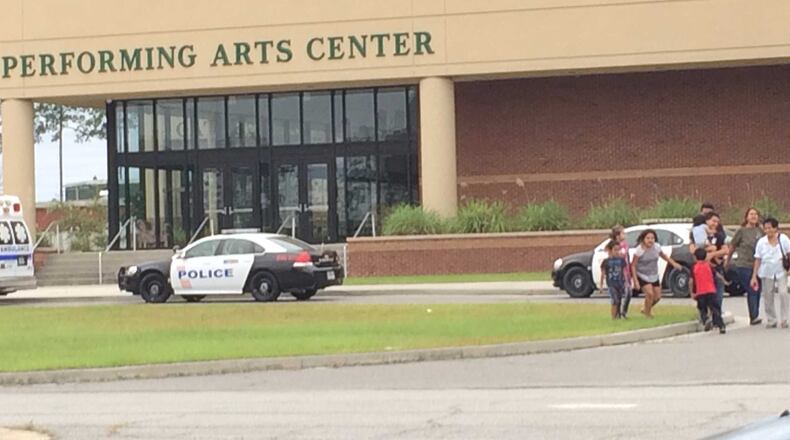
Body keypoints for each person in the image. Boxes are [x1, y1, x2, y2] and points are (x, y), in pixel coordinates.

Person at [632, 229, 683, 318]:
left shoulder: (656, 247)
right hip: (642, 274)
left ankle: (645, 309)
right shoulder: (639, 250)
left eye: (652, 238)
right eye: (648, 238)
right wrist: (635, 280)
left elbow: (664, 256)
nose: (650, 240)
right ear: (643, 239)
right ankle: (648, 315)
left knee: (657, 297)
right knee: (650, 294)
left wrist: (673, 263)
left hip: (654, 274)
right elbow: (633, 266)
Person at [750, 217, 790, 329]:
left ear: (775, 228)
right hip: (766, 271)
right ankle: (771, 319)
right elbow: (757, 259)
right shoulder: (761, 242)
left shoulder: (783, 239)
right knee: (768, 296)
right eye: (766, 228)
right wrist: (754, 276)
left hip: (781, 270)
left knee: (783, 293)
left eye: (770, 228)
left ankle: (784, 319)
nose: (768, 231)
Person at [727, 207, 763, 325]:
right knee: (752, 289)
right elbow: (732, 246)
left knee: (758, 290)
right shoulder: (741, 231)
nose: (754, 216)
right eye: (751, 214)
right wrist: (728, 260)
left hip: (758, 265)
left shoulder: (760, 231)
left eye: (756, 214)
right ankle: (753, 316)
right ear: (746, 217)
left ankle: (755, 313)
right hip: (744, 265)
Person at [691, 212, 728, 308]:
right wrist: (704, 253)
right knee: (703, 296)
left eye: (717, 222)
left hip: (716, 268)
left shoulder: (719, 236)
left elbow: (725, 250)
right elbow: (692, 249)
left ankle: (717, 318)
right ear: (706, 221)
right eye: (713, 221)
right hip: (702, 269)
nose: (715, 224)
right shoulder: (696, 233)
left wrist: (712, 254)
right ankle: (705, 316)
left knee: (718, 295)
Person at [690, 248, 726, 334]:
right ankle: (721, 326)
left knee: (702, 308)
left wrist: (691, 292)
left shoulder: (694, 267)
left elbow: (691, 281)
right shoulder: (709, 266)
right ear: (706, 256)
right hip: (711, 291)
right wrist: (724, 281)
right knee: (715, 309)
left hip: (700, 292)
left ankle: (705, 320)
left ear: (695, 257)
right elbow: (717, 275)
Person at [599, 239, 627, 320]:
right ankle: (613, 317)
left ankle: (618, 316)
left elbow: (624, 271)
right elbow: (603, 273)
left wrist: (626, 281)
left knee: (619, 300)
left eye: (619, 249)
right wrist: (601, 286)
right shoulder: (606, 261)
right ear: (610, 250)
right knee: (614, 300)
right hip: (611, 284)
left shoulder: (621, 260)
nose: (617, 252)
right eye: (615, 250)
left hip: (620, 283)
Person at [610, 225, 633, 318]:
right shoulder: (613, 245)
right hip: (617, 273)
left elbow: (627, 257)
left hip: (626, 272)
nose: (625, 235)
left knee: (629, 292)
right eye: (623, 233)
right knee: (617, 294)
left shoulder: (625, 244)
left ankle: (624, 311)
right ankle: (617, 314)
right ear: (617, 235)